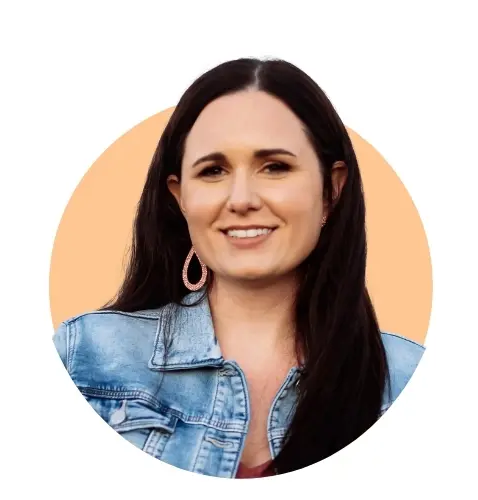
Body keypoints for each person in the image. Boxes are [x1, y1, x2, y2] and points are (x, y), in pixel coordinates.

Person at [52, 57, 425, 479]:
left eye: (275, 167)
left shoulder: (409, 379)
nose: (241, 199)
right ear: (180, 196)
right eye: (213, 171)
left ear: (331, 189)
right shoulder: (82, 358)